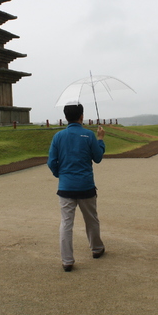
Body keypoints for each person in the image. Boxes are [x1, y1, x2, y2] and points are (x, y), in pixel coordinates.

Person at [47, 104, 106, 272]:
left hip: (66, 187)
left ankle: (67, 260)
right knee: (91, 219)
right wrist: (100, 139)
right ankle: (96, 248)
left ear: (66, 117)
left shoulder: (58, 136)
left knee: (66, 223)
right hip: (86, 185)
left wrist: (61, 175)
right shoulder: (88, 135)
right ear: (81, 116)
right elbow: (98, 158)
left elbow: (51, 162)